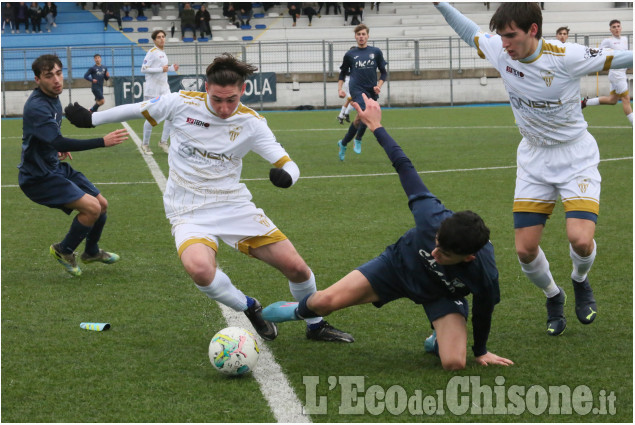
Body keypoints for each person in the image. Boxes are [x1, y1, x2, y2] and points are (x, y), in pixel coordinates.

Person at [63, 53, 354, 344]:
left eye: (232, 99)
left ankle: (315, 325)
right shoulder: (181, 103)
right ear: (206, 88)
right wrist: (92, 119)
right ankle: (249, 306)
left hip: (233, 205)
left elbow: (289, 163)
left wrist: (287, 176)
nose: (225, 108)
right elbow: (135, 109)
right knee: (200, 269)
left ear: (243, 91)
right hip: (187, 209)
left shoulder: (251, 123)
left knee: (297, 268)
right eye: (217, 99)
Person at [262, 94, 514, 371]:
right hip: (397, 267)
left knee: (454, 362)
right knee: (325, 301)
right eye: (437, 243)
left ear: (468, 258)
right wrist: (375, 126)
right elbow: (403, 165)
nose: (434, 252)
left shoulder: (484, 275)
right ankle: (293, 310)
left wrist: (481, 351)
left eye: (444, 253)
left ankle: (437, 337)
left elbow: (483, 311)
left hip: (440, 294)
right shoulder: (431, 216)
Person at [434, 2, 633, 335]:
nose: (505, 43)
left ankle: (580, 280)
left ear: (533, 31)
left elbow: (622, 59)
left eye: (511, 36)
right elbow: (471, 32)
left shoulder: (566, 56)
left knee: (580, 240)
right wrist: (441, 4)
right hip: (534, 158)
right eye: (502, 36)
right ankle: (553, 296)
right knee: (525, 250)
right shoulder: (501, 50)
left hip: (575, 156)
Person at [18, 55, 128, 277]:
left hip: (52, 165)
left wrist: (55, 149)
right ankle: (63, 250)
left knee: (102, 204)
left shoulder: (53, 98)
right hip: (38, 176)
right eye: (49, 76)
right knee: (92, 208)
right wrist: (101, 142)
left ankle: (91, 251)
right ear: (38, 79)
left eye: (59, 73)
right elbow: (57, 139)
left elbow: (50, 139)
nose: (57, 80)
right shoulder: (37, 106)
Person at [336, 24, 387, 161]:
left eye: (363, 34)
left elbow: (383, 73)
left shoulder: (376, 52)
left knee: (359, 119)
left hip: (371, 89)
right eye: (359, 34)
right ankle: (358, 139)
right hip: (356, 88)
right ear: (355, 37)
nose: (361, 37)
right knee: (366, 113)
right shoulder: (350, 54)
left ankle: (343, 143)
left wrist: (379, 86)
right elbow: (342, 73)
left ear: (368, 36)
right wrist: (340, 89)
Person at [581, 19, 633, 126]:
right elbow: (598, 53)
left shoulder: (624, 39)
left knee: (612, 100)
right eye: (614, 27)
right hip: (616, 74)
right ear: (610, 29)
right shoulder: (608, 41)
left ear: (621, 28)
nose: (616, 28)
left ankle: (586, 102)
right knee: (626, 99)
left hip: (620, 73)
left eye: (618, 26)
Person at [140, 29, 179, 155]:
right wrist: (160, 69)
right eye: (159, 37)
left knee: (171, 114)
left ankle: (163, 142)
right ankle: (145, 144)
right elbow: (144, 69)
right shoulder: (152, 53)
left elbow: (163, 69)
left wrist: (172, 68)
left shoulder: (162, 52)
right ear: (154, 40)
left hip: (164, 88)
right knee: (152, 117)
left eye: (163, 36)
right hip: (153, 89)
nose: (162, 39)